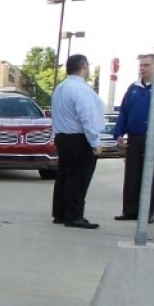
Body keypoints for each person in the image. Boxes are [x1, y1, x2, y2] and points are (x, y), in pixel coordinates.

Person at [50, 54, 105, 229]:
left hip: (63, 137)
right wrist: (95, 141)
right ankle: (74, 216)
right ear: (83, 66)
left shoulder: (61, 88)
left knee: (64, 177)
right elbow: (87, 116)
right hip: (79, 139)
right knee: (78, 178)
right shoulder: (81, 89)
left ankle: (60, 213)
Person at [113, 54, 154, 224]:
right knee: (132, 175)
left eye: (146, 65)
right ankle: (130, 211)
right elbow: (124, 112)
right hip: (134, 138)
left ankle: (147, 213)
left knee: (150, 177)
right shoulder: (133, 88)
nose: (142, 68)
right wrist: (118, 133)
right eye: (140, 65)